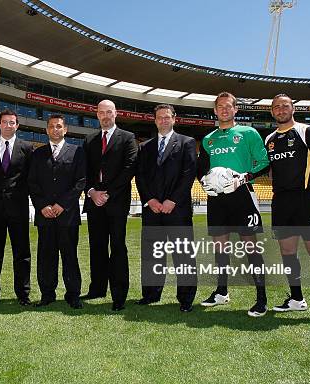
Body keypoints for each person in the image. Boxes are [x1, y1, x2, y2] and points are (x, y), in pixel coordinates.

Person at [197, 92, 270, 317]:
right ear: (215, 111)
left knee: (250, 246)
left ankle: (261, 298)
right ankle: (221, 292)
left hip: (242, 195)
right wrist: (203, 182)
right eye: (220, 107)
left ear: (236, 109)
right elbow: (202, 168)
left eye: (229, 106)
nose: (224, 110)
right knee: (220, 246)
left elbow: (265, 162)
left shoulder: (248, 133)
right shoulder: (208, 139)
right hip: (217, 199)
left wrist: (245, 177)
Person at [266, 94, 310, 325]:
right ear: (272, 112)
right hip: (281, 202)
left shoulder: (307, 131)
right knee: (287, 252)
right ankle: (297, 299)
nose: (280, 109)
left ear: (292, 108)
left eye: (284, 105)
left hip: (307, 201)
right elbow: (272, 171)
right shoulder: (269, 139)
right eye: (276, 107)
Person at [135, 104, 197, 312]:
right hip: (152, 210)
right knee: (152, 254)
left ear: (174, 119)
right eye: (159, 117)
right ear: (154, 120)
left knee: (183, 255)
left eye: (167, 117)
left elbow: (188, 174)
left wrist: (172, 200)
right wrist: (150, 200)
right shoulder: (145, 147)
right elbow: (140, 176)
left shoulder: (186, 143)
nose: (163, 120)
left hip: (177, 210)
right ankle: (151, 294)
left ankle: (185, 299)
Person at [82, 99, 138, 311]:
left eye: (109, 112)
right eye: (101, 112)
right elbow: (84, 171)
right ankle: (97, 288)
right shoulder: (89, 140)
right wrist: (92, 192)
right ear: (97, 115)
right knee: (96, 247)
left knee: (117, 247)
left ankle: (119, 294)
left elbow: (129, 167)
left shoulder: (128, 138)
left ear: (116, 114)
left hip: (116, 202)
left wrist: (108, 194)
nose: (105, 116)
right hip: (94, 201)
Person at [28, 114, 86, 309]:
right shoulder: (37, 154)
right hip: (44, 216)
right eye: (52, 126)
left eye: (59, 126)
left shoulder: (77, 152)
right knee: (46, 257)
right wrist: (42, 206)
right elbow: (32, 183)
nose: (55, 129)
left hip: (67, 216)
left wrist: (62, 204)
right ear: (46, 130)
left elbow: (80, 182)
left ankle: (73, 294)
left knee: (70, 256)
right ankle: (47, 294)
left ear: (65, 129)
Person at [0, 109, 34, 306]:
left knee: (22, 252)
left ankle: (23, 294)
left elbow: (29, 177)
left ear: (17, 125)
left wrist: (16, 194)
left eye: (12, 122)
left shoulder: (27, 148)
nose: (8, 125)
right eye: (5, 122)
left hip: (18, 207)